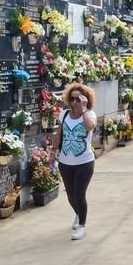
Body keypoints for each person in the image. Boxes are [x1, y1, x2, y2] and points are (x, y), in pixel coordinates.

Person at [50, 83, 97, 240]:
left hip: (84, 161)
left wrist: (83, 110)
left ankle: (82, 226)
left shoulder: (90, 114)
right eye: (72, 99)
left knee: (79, 193)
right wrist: (52, 152)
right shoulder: (64, 114)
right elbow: (59, 134)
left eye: (79, 99)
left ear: (85, 99)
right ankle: (78, 213)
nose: (75, 102)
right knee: (70, 194)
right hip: (65, 161)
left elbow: (90, 127)